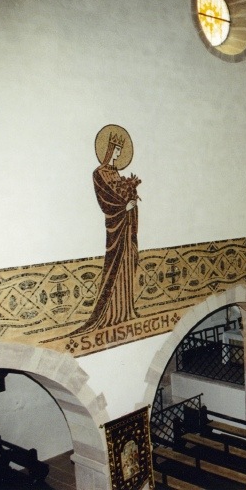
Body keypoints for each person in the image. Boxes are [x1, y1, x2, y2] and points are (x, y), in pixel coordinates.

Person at [74, 125, 140, 334]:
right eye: (117, 150)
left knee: (127, 265)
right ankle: (110, 313)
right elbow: (106, 202)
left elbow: (123, 195)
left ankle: (125, 310)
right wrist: (123, 207)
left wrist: (131, 202)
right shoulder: (99, 174)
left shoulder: (117, 174)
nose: (119, 155)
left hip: (126, 227)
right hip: (116, 227)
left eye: (121, 151)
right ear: (109, 150)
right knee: (115, 267)